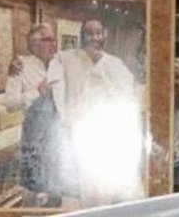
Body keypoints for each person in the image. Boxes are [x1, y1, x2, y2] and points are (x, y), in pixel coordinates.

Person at [47, 18, 140, 206]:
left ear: (104, 36)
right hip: (76, 131)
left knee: (103, 186)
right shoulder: (66, 58)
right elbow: (52, 81)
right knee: (76, 187)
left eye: (98, 32)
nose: (94, 37)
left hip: (105, 134)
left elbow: (126, 97)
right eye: (89, 33)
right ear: (82, 36)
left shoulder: (115, 64)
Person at [4, 23, 62, 206]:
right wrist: (37, 92)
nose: (55, 43)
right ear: (35, 43)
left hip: (58, 138)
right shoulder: (20, 66)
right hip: (34, 139)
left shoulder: (60, 64)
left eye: (54, 39)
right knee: (34, 194)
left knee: (56, 193)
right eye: (49, 39)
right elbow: (10, 103)